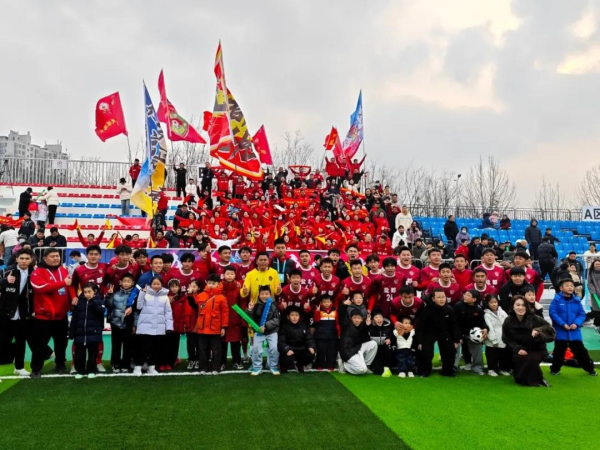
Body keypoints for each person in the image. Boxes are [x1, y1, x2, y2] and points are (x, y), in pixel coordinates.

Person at [30, 248, 73, 378]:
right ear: (45, 258)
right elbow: (41, 288)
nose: (56, 258)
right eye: (52, 256)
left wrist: (72, 299)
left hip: (61, 316)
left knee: (61, 344)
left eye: (57, 256)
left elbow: (69, 286)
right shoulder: (38, 272)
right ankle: (36, 369)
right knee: (40, 345)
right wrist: (62, 283)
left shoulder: (63, 270)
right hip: (44, 317)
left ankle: (60, 364)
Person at [502, 295, 555, 387]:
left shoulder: (534, 318)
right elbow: (506, 338)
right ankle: (533, 378)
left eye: (523, 305)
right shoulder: (508, 320)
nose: (520, 308)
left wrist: (538, 330)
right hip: (518, 349)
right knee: (521, 358)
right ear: (513, 306)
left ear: (527, 307)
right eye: (518, 305)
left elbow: (550, 330)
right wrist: (517, 348)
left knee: (532, 358)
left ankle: (539, 378)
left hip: (537, 349)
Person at [549, 278, 597, 376]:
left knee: (581, 352)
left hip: (574, 333)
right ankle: (554, 370)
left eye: (571, 286)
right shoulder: (556, 300)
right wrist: (562, 324)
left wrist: (576, 323)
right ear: (561, 288)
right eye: (567, 286)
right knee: (559, 353)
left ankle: (590, 369)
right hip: (561, 332)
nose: (570, 287)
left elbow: (582, 314)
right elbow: (553, 313)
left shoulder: (577, 300)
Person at [0, 249, 35, 376]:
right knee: (2, 342)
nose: (24, 261)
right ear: (16, 259)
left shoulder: (34, 273)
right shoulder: (6, 271)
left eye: (27, 258)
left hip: (23, 313)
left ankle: (19, 367)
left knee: (21, 341)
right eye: (22, 258)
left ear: (31, 260)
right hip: (5, 312)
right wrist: (5, 281)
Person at [133, 277, 173, 377]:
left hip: (159, 327)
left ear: (161, 285)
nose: (156, 286)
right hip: (146, 327)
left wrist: (169, 327)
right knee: (144, 348)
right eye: (154, 284)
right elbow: (138, 306)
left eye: (158, 284)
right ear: (150, 285)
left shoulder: (165, 297)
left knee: (155, 349)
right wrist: (142, 293)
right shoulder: (145, 294)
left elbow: (168, 312)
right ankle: (138, 367)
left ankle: (152, 367)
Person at [415, 289, 461, 377]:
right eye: (439, 297)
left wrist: (456, 340)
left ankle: (447, 371)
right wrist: (419, 341)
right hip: (429, 333)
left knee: (450, 350)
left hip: (445, 333)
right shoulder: (426, 310)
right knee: (425, 352)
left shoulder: (449, 309)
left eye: (443, 297)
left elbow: (454, 325)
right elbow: (420, 327)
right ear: (433, 299)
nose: (441, 299)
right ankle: (425, 371)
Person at [194, 274, 229, 375]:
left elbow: (225, 313)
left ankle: (216, 368)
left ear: (218, 284)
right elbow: (194, 305)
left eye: (213, 283)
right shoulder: (201, 295)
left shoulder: (222, 298)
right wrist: (191, 293)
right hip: (202, 328)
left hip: (215, 328)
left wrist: (224, 327)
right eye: (209, 283)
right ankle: (203, 368)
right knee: (202, 349)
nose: (211, 285)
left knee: (216, 349)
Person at [69, 282, 105, 379]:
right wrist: (72, 332)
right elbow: (74, 318)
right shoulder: (79, 302)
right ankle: (80, 371)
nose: (87, 294)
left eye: (89, 291)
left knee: (93, 354)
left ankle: (92, 370)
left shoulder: (99, 301)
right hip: (80, 334)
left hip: (94, 333)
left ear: (95, 291)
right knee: (79, 355)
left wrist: (92, 301)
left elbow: (101, 311)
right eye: (85, 292)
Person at [246, 285, 280, 376]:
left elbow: (277, 320)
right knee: (256, 348)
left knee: (274, 348)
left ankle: (273, 366)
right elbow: (250, 319)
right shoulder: (255, 304)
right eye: (262, 294)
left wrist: (266, 326)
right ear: (259, 295)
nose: (264, 296)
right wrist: (250, 309)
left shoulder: (274, 305)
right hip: (258, 331)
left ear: (270, 295)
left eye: (266, 294)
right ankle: (257, 367)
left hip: (272, 331)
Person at [105, 273, 135, 373]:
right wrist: (109, 295)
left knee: (128, 346)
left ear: (133, 283)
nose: (126, 283)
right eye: (124, 281)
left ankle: (125, 364)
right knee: (116, 345)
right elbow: (109, 306)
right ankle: (115, 364)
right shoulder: (115, 293)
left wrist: (134, 324)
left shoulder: (135, 295)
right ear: (120, 282)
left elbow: (137, 309)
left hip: (128, 325)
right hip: (116, 323)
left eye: (128, 281)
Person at [453, 290, 488, 375]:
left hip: (472, 334)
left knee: (477, 348)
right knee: (455, 347)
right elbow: (454, 323)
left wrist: (485, 328)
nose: (465, 296)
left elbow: (482, 322)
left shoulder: (478, 309)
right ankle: (453, 367)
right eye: (465, 294)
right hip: (458, 332)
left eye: (468, 295)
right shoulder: (458, 306)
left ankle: (477, 368)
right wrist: (458, 337)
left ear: (474, 299)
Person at [339, 307, 377, 375]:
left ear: (362, 319)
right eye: (355, 318)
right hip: (348, 351)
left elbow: (365, 336)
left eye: (359, 318)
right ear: (351, 318)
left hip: (358, 348)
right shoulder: (346, 325)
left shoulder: (362, 326)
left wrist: (368, 325)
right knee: (362, 370)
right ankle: (344, 365)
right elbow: (341, 316)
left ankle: (366, 365)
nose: (357, 320)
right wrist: (344, 305)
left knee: (373, 344)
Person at [220, 266, 245, 371]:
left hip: (235, 320)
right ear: (223, 275)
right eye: (227, 274)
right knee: (222, 344)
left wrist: (242, 320)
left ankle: (236, 362)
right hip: (222, 321)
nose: (229, 276)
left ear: (235, 275)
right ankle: (222, 363)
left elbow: (242, 304)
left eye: (232, 274)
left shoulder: (239, 288)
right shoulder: (219, 288)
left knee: (236, 344)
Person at [278, 306, 316, 373]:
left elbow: (309, 339)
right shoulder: (284, 327)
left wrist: (311, 347)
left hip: (301, 349)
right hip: (289, 349)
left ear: (299, 317)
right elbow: (281, 341)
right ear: (288, 317)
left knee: (310, 354)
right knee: (285, 358)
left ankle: (300, 365)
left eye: (296, 315)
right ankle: (283, 366)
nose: (294, 317)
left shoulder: (304, 326)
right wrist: (286, 350)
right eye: (292, 315)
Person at [482, 294, 511, 376]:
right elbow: (489, 328)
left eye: (495, 302)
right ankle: (491, 369)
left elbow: (507, 323)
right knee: (492, 355)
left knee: (503, 355)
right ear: (487, 303)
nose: (494, 304)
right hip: (492, 341)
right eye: (491, 303)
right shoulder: (486, 314)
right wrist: (493, 340)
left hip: (502, 338)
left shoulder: (502, 312)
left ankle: (502, 369)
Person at [312, 294, 338, 371]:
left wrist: (338, 332)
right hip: (320, 335)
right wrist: (317, 312)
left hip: (332, 334)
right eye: (324, 302)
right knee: (321, 351)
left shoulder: (335, 310)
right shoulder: (318, 310)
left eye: (328, 302)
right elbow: (316, 320)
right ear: (321, 303)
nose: (326, 303)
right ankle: (320, 365)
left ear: (331, 302)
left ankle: (331, 365)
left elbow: (337, 323)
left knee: (331, 351)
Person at [367, 309, 394, 377]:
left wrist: (390, 339)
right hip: (375, 351)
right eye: (376, 317)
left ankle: (387, 367)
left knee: (388, 345)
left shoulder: (388, 327)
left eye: (380, 317)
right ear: (373, 320)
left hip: (385, 350)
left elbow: (393, 337)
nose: (379, 319)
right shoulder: (370, 328)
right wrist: (367, 326)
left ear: (383, 318)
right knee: (378, 372)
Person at [586, 259, 600, 334]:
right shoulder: (591, 272)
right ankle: (597, 326)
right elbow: (589, 283)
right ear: (593, 265)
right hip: (595, 295)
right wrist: (593, 292)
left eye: (599, 264)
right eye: (596, 264)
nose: (598, 265)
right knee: (597, 312)